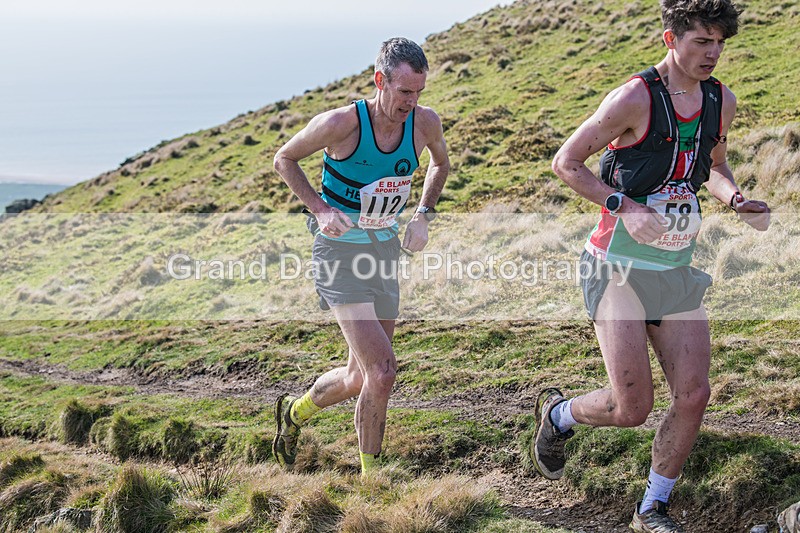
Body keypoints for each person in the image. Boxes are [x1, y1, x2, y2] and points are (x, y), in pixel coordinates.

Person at [541, 0, 770, 531]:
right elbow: (565, 163)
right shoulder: (634, 98)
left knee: (693, 394)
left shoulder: (720, 100)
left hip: (674, 268)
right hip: (617, 265)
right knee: (632, 407)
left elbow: (712, 167)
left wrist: (736, 200)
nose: (712, 54)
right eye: (701, 42)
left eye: (719, 43)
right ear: (671, 38)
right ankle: (557, 415)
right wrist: (624, 205)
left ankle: (652, 508)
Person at [271, 37, 449, 476]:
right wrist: (321, 208)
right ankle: (374, 481)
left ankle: (294, 413)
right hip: (338, 255)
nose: (412, 102)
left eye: (419, 92)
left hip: (384, 252)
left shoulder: (424, 123)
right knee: (384, 372)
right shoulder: (341, 123)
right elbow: (284, 159)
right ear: (379, 80)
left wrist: (423, 214)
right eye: (405, 92)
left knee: (359, 378)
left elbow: (440, 165)